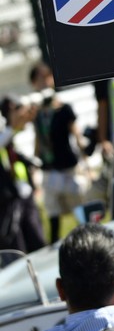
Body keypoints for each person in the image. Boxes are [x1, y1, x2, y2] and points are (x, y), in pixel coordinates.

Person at [30, 62, 91, 244]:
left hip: (68, 166)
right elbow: (38, 139)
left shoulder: (64, 108)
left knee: (78, 207)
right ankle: (54, 245)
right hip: (49, 168)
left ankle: (89, 239)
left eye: (46, 77)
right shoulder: (37, 113)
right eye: (39, 78)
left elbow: (76, 135)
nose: (44, 82)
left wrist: (86, 163)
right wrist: (34, 166)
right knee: (52, 209)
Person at [0, 95, 46, 253]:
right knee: (16, 248)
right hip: (6, 203)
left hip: (22, 196)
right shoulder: (6, 132)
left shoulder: (9, 133)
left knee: (37, 241)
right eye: (15, 108)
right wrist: (15, 124)